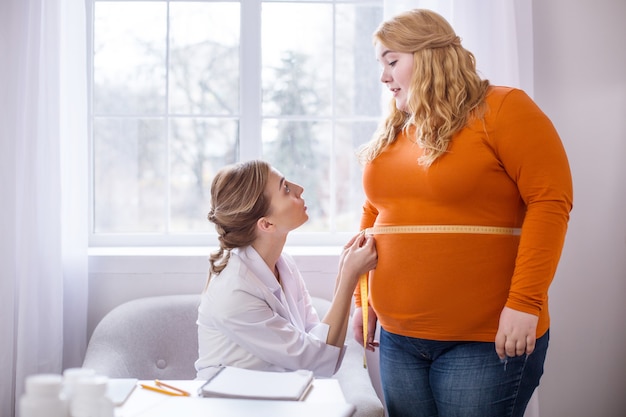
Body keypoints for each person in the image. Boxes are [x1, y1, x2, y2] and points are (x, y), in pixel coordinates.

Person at [351, 9, 573, 417]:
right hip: (399, 339)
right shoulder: (397, 128)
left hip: (484, 339)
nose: (383, 77)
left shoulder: (504, 108)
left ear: (431, 55)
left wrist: (525, 303)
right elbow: (375, 214)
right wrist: (362, 299)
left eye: (392, 61)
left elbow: (550, 202)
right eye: (380, 64)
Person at [195, 160, 377, 379]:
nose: (300, 189)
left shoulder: (283, 264)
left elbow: (316, 340)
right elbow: (317, 362)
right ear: (267, 224)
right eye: (286, 189)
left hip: (275, 397)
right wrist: (349, 276)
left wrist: (344, 271)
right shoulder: (235, 291)